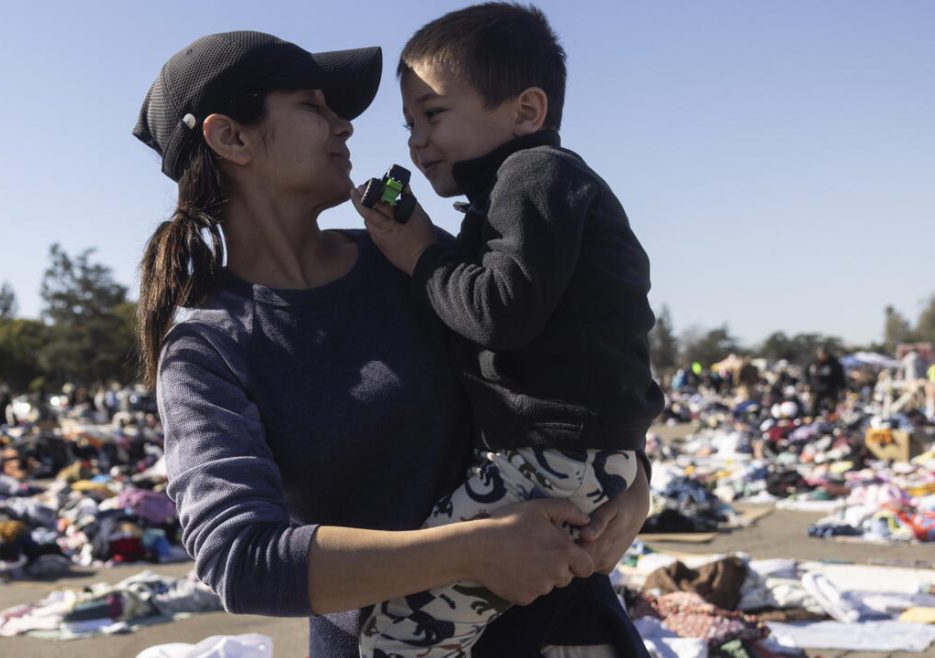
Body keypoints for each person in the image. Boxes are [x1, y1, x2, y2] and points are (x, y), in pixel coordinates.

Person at [132, 30, 651, 658]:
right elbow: (241, 560)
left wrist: (632, 481)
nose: (345, 126)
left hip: (565, 629)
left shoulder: (408, 257)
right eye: (313, 107)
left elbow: (570, 367)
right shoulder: (210, 348)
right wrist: (477, 548)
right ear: (230, 137)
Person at [352, 4, 663, 655]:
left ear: (525, 110)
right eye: (409, 123)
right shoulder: (519, 193)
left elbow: (499, 313)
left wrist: (420, 251)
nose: (416, 140)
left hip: (548, 454)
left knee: (397, 639)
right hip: (566, 456)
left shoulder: (535, 177)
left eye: (434, 114)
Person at [807, 347, 845, 417]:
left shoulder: (834, 363)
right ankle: (813, 417)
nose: (822, 356)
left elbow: (840, 376)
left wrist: (842, 387)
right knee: (813, 405)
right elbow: (806, 373)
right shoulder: (813, 362)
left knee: (832, 405)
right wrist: (807, 384)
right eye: (821, 355)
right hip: (816, 387)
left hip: (831, 387)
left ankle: (831, 418)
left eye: (824, 355)